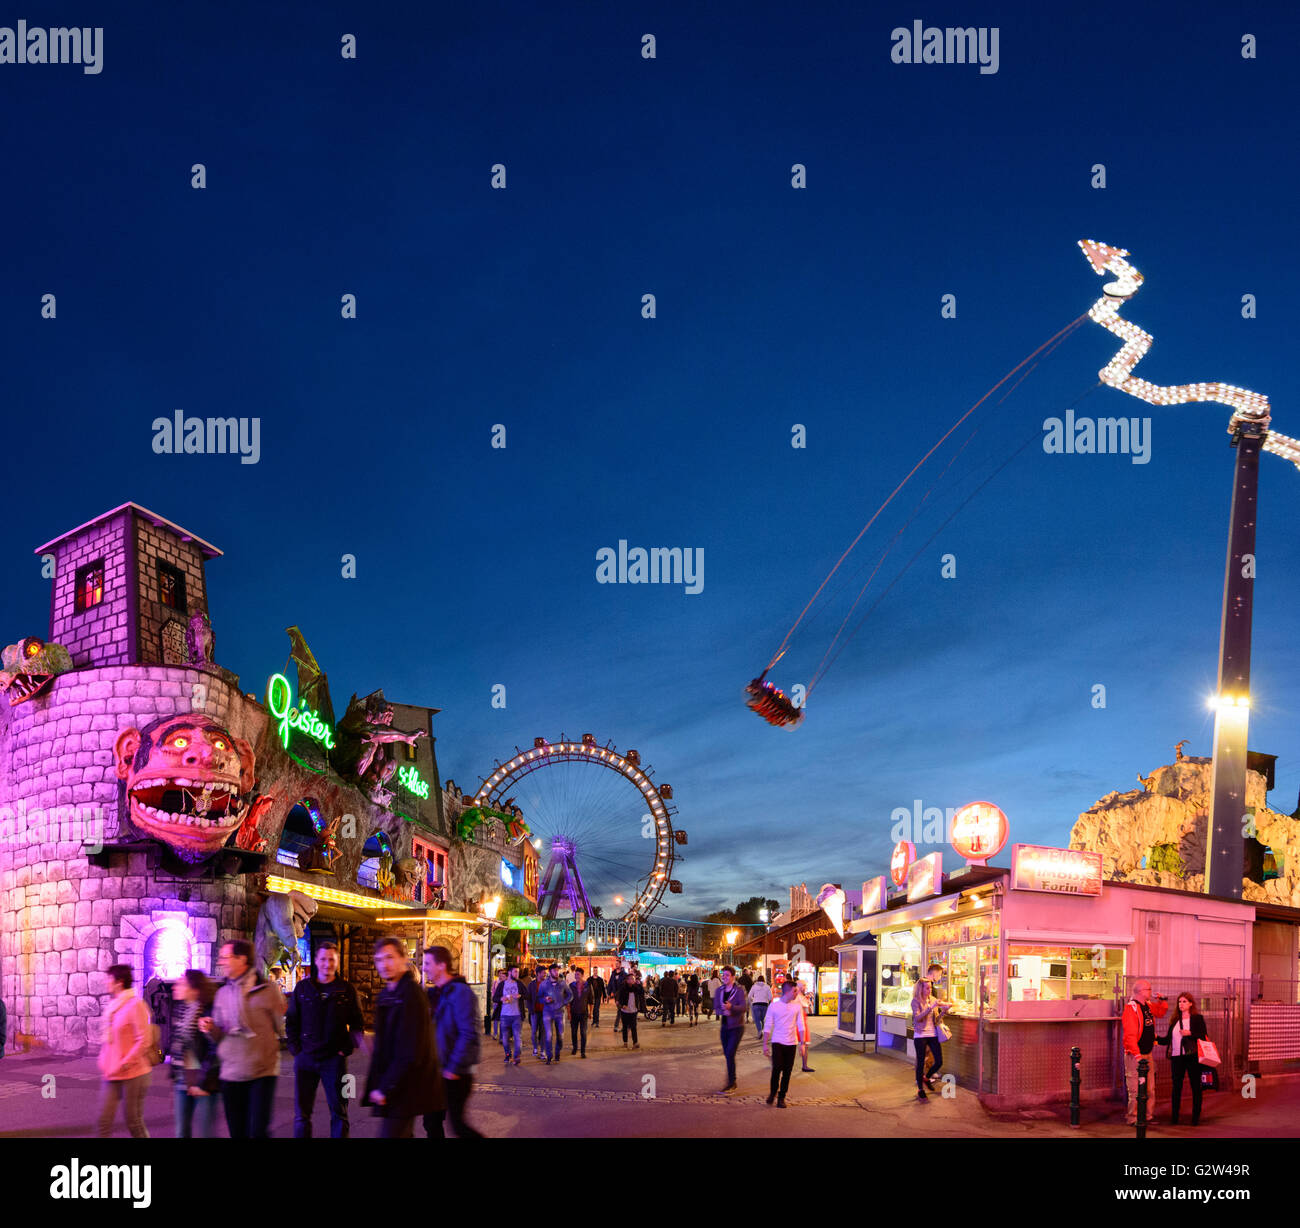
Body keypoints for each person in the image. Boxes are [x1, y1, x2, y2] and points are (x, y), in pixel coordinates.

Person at [200, 939, 287, 1138]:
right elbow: (219, 1036)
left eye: (225, 957)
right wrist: (210, 1028)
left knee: (257, 1132)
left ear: (242, 959)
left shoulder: (268, 990)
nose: (221, 962)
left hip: (262, 1072)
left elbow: (279, 1027)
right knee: (237, 1132)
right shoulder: (222, 993)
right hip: (231, 1073)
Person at [364, 936, 443, 1138]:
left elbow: (410, 1051)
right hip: (397, 1084)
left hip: (408, 1085)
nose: (384, 964)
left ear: (403, 959)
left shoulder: (411, 995)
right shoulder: (387, 994)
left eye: (390, 957)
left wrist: (385, 1088)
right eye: (379, 959)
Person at [286, 940, 365, 1138]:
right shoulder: (303, 989)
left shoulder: (346, 990)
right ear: (316, 961)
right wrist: (297, 1050)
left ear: (337, 962)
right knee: (301, 1115)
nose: (327, 964)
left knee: (340, 1112)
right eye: (323, 959)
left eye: (331, 959)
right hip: (305, 1060)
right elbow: (292, 1021)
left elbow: (358, 1026)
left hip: (335, 1061)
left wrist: (345, 1049)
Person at [424, 945, 484, 1137]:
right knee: (431, 1122)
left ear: (441, 965)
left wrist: (453, 1068)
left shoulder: (460, 993)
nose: (424, 968)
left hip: (456, 1072)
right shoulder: (434, 993)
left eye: (427, 963)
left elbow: (468, 1033)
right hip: (437, 1070)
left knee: (458, 1125)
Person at [97, 964, 154, 1138]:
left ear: (119, 982)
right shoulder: (114, 1006)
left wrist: (126, 1062)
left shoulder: (135, 1005)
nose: (107, 982)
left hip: (134, 1072)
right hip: (112, 1072)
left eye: (109, 979)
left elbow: (144, 1040)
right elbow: (111, 1040)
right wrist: (104, 1060)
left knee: (133, 1121)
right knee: (104, 1121)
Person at [168, 969, 219, 1138]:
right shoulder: (179, 1010)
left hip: (203, 1080)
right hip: (182, 1080)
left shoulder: (207, 1012)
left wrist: (204, 1082)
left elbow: (214, 1050)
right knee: (181, 1132)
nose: (175, 987)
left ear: (194, 989)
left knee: (205, 1133)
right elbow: (177, 1046)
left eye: (181, 984)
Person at [1122, 979, 1169, 1126]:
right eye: (1149, 989)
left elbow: (1160, 1012)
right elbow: (1130, 1035)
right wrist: (1136, 1055)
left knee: (1150, 1088)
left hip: (1147, 1053)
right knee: (1135, 1089)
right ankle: (1133, 1118)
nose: (1151, 991)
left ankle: (1148, 1116)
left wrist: (1162, 1000)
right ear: (1141, 992)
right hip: (1136, 1055)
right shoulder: (1131, 1009)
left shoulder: (1148, 1005)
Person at [1162, 991, 1207, 1126]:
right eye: (1179, 1002)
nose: (1181, 1004)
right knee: (1176, 1087)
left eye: (1184, 1002)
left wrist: (1190, 1033)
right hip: (1177, 1058)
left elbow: (1203, 1035)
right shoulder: (1175, 1020)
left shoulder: (1197, 1018)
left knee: (1195, 1087)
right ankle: (1174, 1117)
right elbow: (1167, 1040)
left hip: (1192, 1056)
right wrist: (1155, 1038)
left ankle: (1195, 1117)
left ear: (1190, 1004)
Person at [762, 977, 806, 1107]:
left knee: (787, 1071)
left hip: (792, 1043)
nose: (797, 993)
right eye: (795, 991)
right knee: (776, 1069)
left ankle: (782, 1097)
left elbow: (801, 1025)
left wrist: (802, 1044)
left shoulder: (797, 1007)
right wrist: (765, 1044)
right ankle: (773, 1092)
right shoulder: (774, 1006)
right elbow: (768, 1025)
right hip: (778, 1041)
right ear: (787, 991)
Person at [911, 977, 948, 1101]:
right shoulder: (915, 1001)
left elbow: (937, 1019)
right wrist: (930, 1008)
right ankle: (920, 1089)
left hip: (933, 1034)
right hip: (920, 1035)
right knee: (920, 1063)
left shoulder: (932, 1000)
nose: (929, 990)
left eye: (931, 987)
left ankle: (926, 1077)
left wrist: (944, 1012)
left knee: (939, 1061)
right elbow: (917, 1018)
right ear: (920, 989)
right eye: (927, 988)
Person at [714, 966, 747, 1093]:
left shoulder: (738, 991)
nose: (724, 977)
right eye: (723, 975)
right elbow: (716, 1007)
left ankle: (732, 1082)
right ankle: (731, 1081)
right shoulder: (719, 990)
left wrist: (731, 1008)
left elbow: (743, 1008)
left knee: (730, 1053)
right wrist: (723, 1011)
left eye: (727, 975)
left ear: (733, 977)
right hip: (725, 1026)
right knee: (727, 1054)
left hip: (737, 1027)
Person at [535, 963, 572, 1064]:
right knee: (548, 1035)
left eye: (557, 970)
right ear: (550, 972)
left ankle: (557, 1052)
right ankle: (549, 1056)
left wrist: (563, 1002)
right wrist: (545, 1000)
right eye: (555, 970)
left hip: (559, 1013)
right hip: (547, 1012)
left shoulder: (562, 983)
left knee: (560, 1035)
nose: (557, 972)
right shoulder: (544, 984)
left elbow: (570, 995)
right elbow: (539, 998)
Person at [496, 966, 525, 1066]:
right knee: (505, 1038)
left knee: (517, 1037)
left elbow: (527, 994)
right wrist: (501, 998)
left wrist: (520, 995)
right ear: (509, 972)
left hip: (517, 1015)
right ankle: (508, 1054)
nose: (517, 974)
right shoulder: (502, 984)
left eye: (518, 972)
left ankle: (516, 1056)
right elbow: (495, 998)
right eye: (515, 972)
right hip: (504, 1015)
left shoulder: (519, 983)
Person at [792, 977, 816, 1072]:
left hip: (802, 1021)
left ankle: (804, 1065)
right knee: (802, 1044)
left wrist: (808, 999)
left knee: (804, 1045)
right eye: (804, 985)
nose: (806, 987)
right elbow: (805, 1006)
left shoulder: (801, 996)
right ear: (800, 987)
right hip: (798, 1022)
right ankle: (804, 1065)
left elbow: (809, 1008)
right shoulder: (797, 996)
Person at [569, 967, 593, 1057]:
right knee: (574, 1032)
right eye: (575, 974)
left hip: (584, 1013)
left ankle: (583, 1051)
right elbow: (568, 1000)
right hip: (574, 1012)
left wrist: (590, 1013)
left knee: (583, 1032)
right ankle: (575, 1048)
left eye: (578, 974)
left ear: (582, 975)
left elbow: (591, 1000)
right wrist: (569, 1013)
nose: (576, 976)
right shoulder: (571, 986)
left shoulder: (587, 985)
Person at [617, 972, 643, 1048]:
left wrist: (639, 984)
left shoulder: (636, 988)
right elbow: (619, 997)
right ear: (627, 980)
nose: (632, 980)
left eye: (633, 979)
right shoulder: (623, 988)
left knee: (633, 1027)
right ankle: (625, 1042)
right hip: (625, 1011)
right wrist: (622, 1005)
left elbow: (641, 992)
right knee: (625, 1027)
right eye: (631, 979)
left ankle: (635, 1043)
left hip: (633, 1011)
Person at [748, 975, 772, 1041]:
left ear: (757, 980)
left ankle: (759, 1031)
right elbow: (770, 997)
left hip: (756, 1004)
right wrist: (766, 999)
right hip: (764, 1004)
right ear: (764, 980)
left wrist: (754, 999)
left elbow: (749, 996)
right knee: (762, 1019)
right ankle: (762, 1031)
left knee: (757, 1019)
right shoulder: (767, 987)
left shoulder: (754, 987)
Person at [490, 970, 505, 1040]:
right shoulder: (496, 981)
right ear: (498, 974)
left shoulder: (505, 982)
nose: (501, 975)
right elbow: (493, 990)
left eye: (502, 974)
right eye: (500, 973)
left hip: (503, 1003)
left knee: (502, 1020)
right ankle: (495, 1033)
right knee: (496, 1019)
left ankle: (501, 1036)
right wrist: (494, 998)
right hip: (496, 1002)